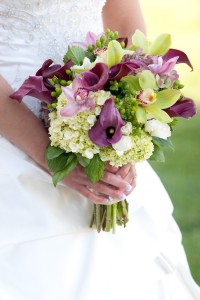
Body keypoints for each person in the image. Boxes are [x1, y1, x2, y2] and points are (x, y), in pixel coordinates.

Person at [0, 0, 199, 299]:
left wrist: (128, 132)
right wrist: (52, 159)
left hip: (104, 104)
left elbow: (126, 24)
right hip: (12, 118)